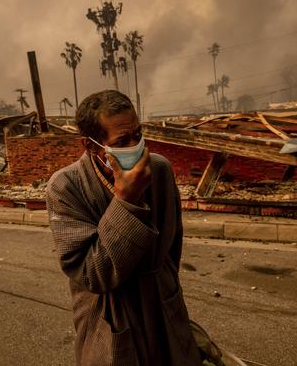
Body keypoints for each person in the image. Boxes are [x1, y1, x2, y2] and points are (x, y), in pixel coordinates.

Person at [46, 90, 201, 366]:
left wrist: (163, 285)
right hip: (110, 315)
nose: (135, 145)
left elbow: (172, 247)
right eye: (122, 141)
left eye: (138, 135)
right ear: (91, 145)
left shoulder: (160, 170)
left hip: (162, 305)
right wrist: (126, 200)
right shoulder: (65, 187)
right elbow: (93, 274)